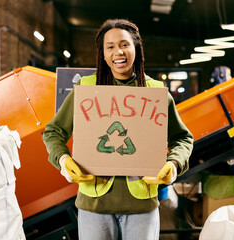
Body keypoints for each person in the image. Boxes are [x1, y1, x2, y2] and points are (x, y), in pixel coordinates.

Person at [43, 19, 193, 240]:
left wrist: (174, 162)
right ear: (103, 54)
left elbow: (182, 138)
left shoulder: (155, 92)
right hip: (94, 204)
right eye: (110, 47)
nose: (118, 52)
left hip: (141, 205)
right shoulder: (86, 89)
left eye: (124, 44)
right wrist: (63, 160)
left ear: (136, 48)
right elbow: (53, 131)